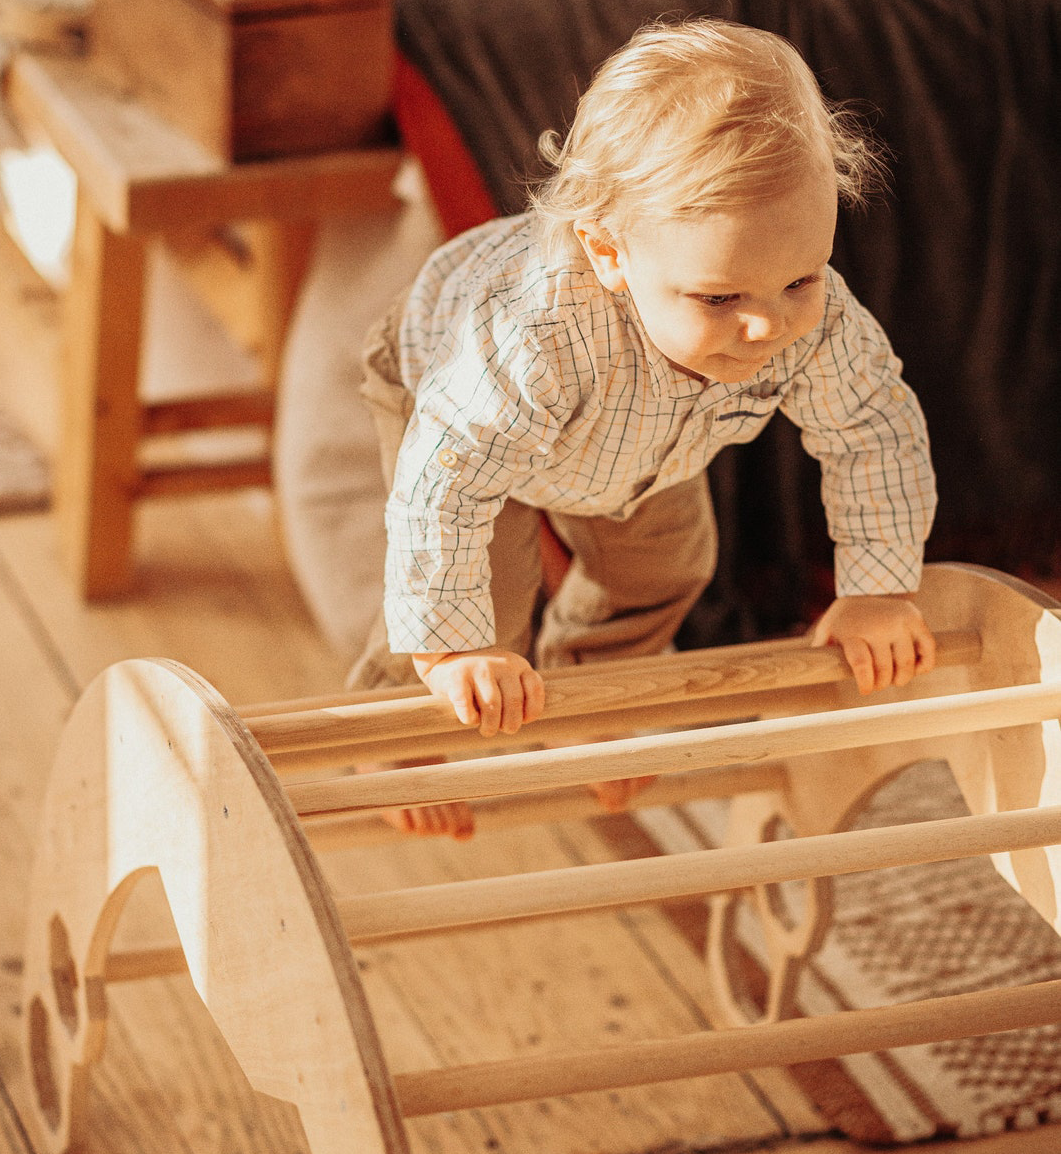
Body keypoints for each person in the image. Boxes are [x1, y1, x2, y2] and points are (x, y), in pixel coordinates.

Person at [348, 17, 938, 837]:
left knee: (667, 563)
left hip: (642, 448)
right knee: (490, 595)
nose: (766, 327)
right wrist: (451, 651)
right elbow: (445, 478)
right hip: (453, 415)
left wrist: (877, 588)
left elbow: (871, 427)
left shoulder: (815, 319)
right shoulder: (536, 334)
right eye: (721, 297)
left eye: (801, 277)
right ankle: (396, 735)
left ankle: (592, 701)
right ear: (608, 251)